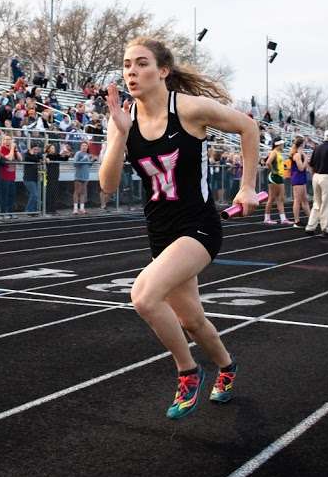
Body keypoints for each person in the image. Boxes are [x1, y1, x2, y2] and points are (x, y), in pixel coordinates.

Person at [99, 37, 260, 420]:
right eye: (126, 65)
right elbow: (106, 186)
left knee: (143, 296)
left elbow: (248, 127)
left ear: (163, 71)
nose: (132, 72)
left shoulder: (187, 109)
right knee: (191, 319)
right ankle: (226, 365)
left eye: (141, 64)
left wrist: (248, 185)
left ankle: (188, 372)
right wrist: (120, 135)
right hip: (160, 229)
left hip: (199, 226)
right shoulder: (123, 120)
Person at [262, 140, 293, 225]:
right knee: (272, 198)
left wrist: (282, 168)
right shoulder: (274, 152)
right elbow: (268, 162)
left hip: (279, 176)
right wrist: (274, 171)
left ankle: (283, 219)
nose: (283, 146)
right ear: (278, 144)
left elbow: (277, 163)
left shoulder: (278, 153)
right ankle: (267, 218)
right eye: (282, 144)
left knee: (280, 198)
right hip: (274, 177)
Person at [288, 136, 309, 227]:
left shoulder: (301, 154)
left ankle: (311, 218)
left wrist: (306, 160)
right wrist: (306, 160)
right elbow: (301, 168)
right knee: (297, 200)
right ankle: (296, 221)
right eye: (304, 143)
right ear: (301, 144)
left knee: (305, 199)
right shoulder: (296, 155)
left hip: (302, 177)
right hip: (297, 178)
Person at [0, 134, 20, 216]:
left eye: (9, 139)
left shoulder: (13, 150)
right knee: (4, 196)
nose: (7, 141)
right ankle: (3, 213)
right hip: (3, 177)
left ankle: (10, 213)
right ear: (3, 141)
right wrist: (12, 149)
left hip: (12, 177)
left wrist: (15, 150)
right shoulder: (1, 149)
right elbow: (9, 158)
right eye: (6, 139)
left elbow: (20, 159)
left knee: (12, 196)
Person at [72, 140, 95, 214]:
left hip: (86, 176)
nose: (84, 147)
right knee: (77, 192)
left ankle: (82, 208)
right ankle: (75, 209)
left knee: (83, 192)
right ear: (80, 146)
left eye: (86, 146)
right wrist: (84, 158)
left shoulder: (88, 154)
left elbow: (88, 165)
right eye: (83, 146)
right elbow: (75, 164)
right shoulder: (78, 153)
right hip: (78, 176)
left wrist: (92, 161)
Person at [23, 143, 44, 214]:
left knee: (35, 195)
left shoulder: (38, 155)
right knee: (34, 194)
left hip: (36, 178)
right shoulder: (27, 155)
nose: (36, 151)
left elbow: (40, 159)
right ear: (31, 149)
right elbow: (33, 159)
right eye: (34, 149)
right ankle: (29, 210)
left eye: (37, 149)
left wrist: (39, 157)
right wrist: (32, 154)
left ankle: (33, 210)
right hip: (28, 179)